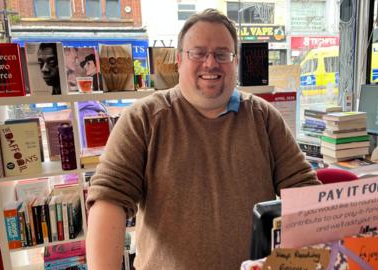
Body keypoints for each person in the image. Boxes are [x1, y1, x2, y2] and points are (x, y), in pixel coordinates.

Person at [86, 8, 320, 270]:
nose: (210, 63)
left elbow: (304, 192)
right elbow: (109, 200)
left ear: (235, 61)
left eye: (222, 54)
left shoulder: (263, 117)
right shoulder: (143, 119)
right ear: (179, 60)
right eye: (198, 53)